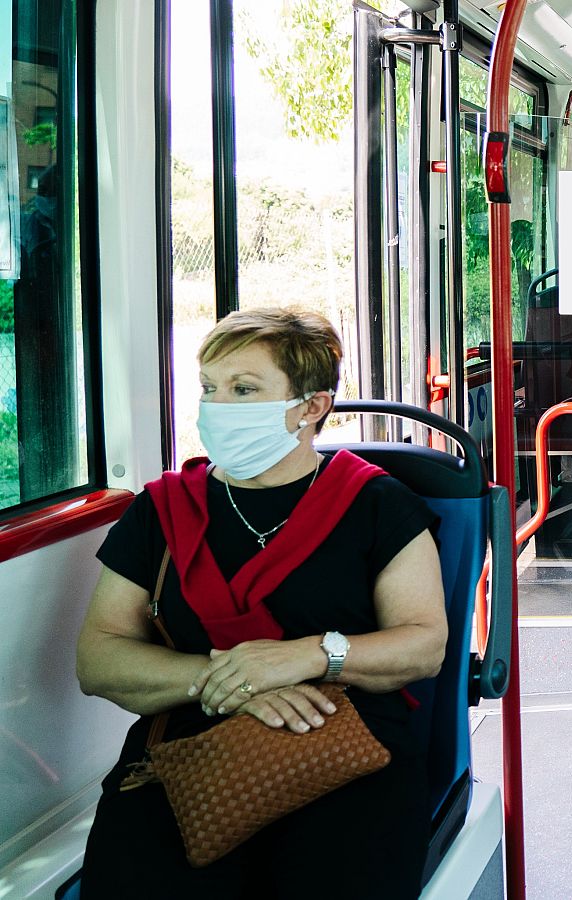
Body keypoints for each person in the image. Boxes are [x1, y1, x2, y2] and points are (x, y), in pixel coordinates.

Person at [75, 309, 448, 898]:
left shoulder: (377, 505)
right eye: (208, 388)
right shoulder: (163, 509)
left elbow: (423, 643)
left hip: (341, 740)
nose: (216, 407)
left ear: (311, 406)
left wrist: (305, 657)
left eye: (243, 390)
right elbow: (99, 658)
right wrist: (229, 680)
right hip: (188, 745)